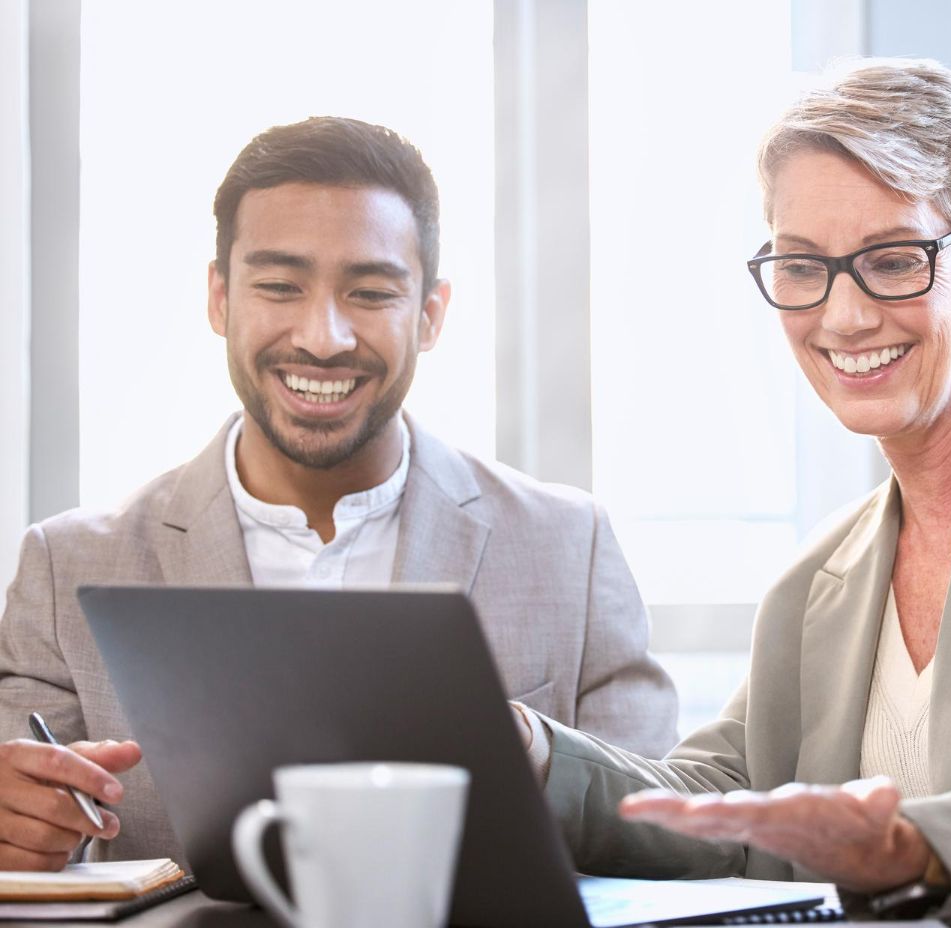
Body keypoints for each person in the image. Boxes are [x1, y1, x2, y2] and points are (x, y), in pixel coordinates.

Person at [512, 59, 951, 921]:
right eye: (802, 268)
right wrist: (530, 751)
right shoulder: (814, 585)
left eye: (891, 259)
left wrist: (909, 847)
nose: (842, 316)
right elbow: (722, 804)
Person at [0, 117, 677, 871]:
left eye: (369, 291)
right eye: (280, 287)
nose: (323, 337)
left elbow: (662, 834)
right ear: (220, 297)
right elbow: (29, 862)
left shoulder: (568, 547)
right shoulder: (66, 568)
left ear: (430, 314)